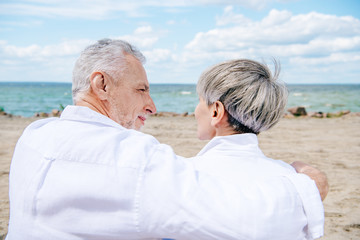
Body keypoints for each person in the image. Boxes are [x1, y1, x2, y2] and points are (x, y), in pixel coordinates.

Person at [6, 39, 326, 240]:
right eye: (142, 89)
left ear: (216, 111)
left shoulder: (34, 137)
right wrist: (311, 183)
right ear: (101, 85)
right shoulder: (137, 163)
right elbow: (254, 222)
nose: (152, 106)